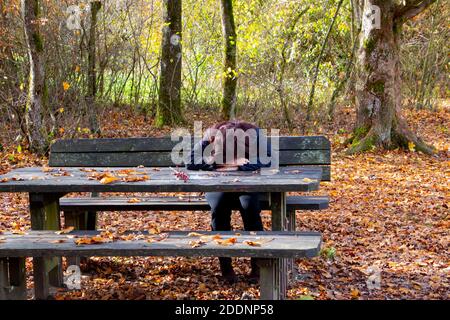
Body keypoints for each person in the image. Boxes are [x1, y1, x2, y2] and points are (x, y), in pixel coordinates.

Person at [186, 120, 271, 283]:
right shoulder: (211, 133)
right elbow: (190, 161)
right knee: (218, 208)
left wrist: (240, 167)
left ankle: (257, 266)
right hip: (217, 181)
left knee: (250, 208)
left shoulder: (254, 134)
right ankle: (226, 267)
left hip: (248, 183)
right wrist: (224, 163)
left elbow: (267, 160)